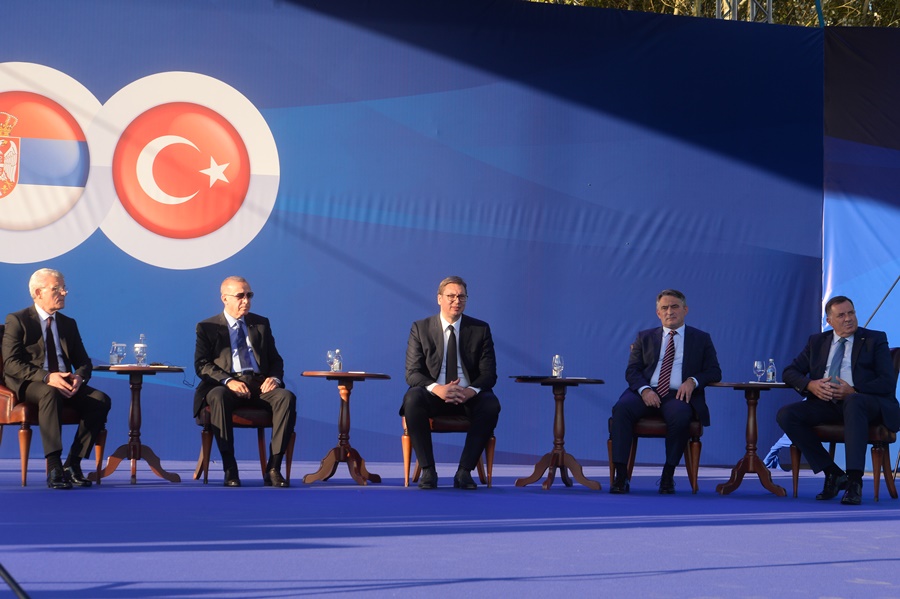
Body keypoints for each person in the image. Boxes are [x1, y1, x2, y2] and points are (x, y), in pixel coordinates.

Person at [777, 296, 899, 505]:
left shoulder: (874, 339)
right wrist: (810, 385)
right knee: (787, 415)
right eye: (841, 315)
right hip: (829, 404)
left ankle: (854, 481)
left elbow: (887, 381)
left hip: (867, 403)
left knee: (854, 401)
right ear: (829, 321)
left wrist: (854, 390)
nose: (848, 319)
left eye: (851, 313)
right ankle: (832, 472)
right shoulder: (817, 342)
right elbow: (789, 372)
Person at [2, 268, 111, 490]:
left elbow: (84, 362)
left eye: (64, 287)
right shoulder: (18, 320)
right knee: (50, 392)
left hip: (65, 381)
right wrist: (47, 377)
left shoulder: (68, 323)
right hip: (32, 383)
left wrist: (79, 377)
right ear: (38, 293)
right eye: (56, 288)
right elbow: (11, 363)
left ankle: (73, 464)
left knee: (100, 400)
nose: (64, 292)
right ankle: (54, 466)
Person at [609, 289, 722, 494]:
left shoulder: (701, 338)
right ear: (658, 313)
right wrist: (645, 390)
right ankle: (621, 476)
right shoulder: (644, 337)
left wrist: (693, 381)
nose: (670, 311)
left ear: (685, 310)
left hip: (677, 394)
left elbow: (714, 371)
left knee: (681, 416)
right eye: (665, 308)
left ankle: (668, 475)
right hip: (645, 391)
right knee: (621, 410)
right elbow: (632, 371)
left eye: (675, 306)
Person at [194, 276, 297, 488]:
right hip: (225, 386)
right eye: (240, 296)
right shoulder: (207, 327)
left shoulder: (261, 324)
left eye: (249, 295)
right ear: (225, 298)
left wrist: (274, 378)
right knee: (218, 396)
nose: (246, 301)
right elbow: (202, 365)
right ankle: (230, 468)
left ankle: (273, 468)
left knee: (286, 397)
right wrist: (228, 381)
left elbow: (276, 360)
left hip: (259, 385)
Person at [401, 276, 501, 490]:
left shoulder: (480, 329)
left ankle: (464, 472)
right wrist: (437, 389)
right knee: (412, 398)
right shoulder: (421, 328)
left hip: (467, 397)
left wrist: (470, 391)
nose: (457, 301)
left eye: (461, 296)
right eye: (451, 296)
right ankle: (428, 471)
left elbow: (489, 374)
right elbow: (412, 373)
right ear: (439, 298)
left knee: (490, 403)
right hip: (434, 396)